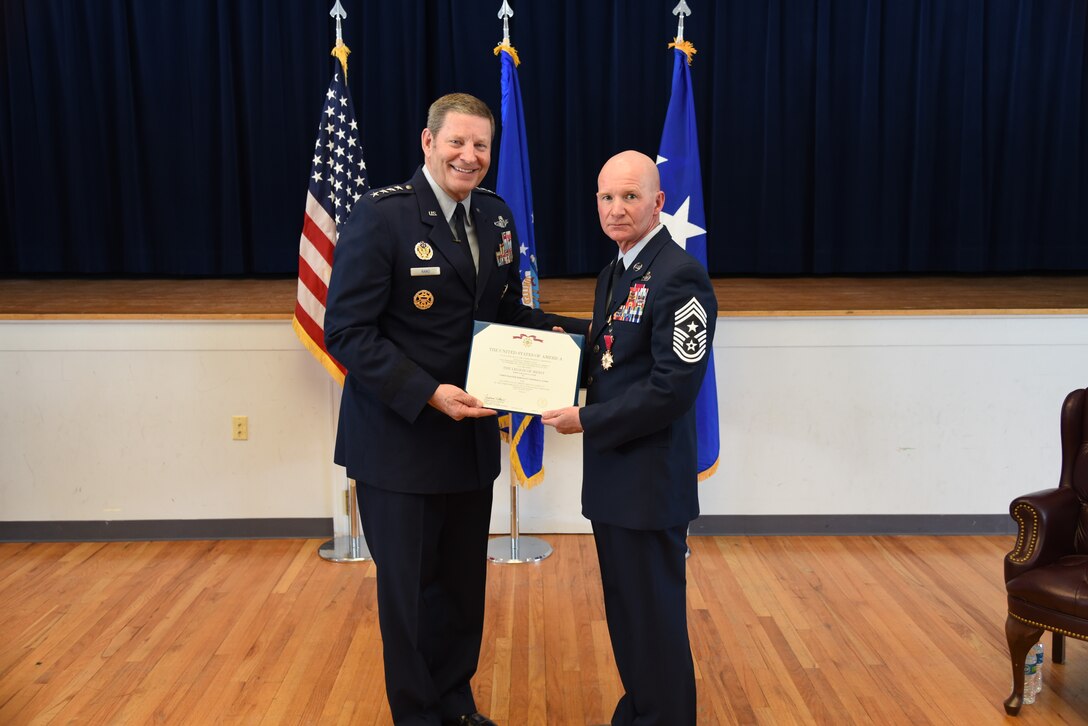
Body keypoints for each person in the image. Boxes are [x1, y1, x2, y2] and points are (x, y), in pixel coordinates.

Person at [324, 93, 587, 726]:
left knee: (463, 592)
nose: (469, 157)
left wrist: (588, 338)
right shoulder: (379, 218)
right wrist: (427, 391)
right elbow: (348, 332)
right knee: (411, 597)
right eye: (457, 143)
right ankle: (417, 715)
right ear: (427, 141)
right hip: (400, 444)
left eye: (481, 147)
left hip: (469, 446)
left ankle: (456, 704)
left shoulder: (495, 219)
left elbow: (506, 319)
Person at [542, 150, 716, 725]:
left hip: (649, 481)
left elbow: (672, 390)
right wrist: (524, 334)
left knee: (654, 619)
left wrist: (586, 420)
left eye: (631, 197)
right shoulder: (617, 269)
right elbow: (607, 353)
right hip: (618, 478)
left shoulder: (679, 274)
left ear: (658, 203)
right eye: (607, 198)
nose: (617, 209)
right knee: (628, 614)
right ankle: (642, 709)